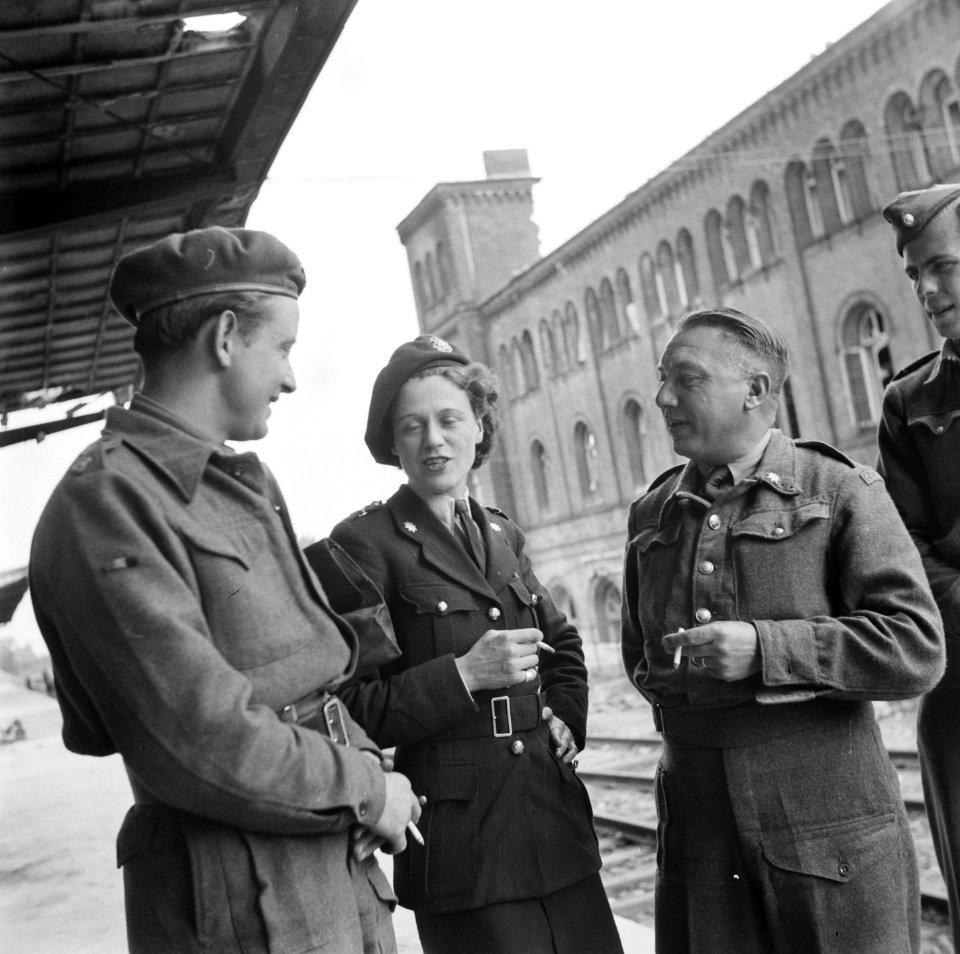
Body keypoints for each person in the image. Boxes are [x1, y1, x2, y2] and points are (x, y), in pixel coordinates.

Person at [29, 227, 421, 954]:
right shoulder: (107, 504)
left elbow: (311, 673)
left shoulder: (239, 481)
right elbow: (197, 740)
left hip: (328, 869)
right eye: (284, 349)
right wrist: (367, 791)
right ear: (226, 337)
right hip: (240, 902)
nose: (293, 378)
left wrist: (367, 766)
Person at [620, 306, 944, 954]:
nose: (662, 398)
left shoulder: (839, 489)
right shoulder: (652, 513)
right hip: (701, 841)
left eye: (686, 379)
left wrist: (767, 650)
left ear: (757, 391)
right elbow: (640, 661)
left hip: (832, 832)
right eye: (662, 379)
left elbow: (916, 646)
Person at [310, 335, 623, 954]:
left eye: (450, 419)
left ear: (480, 427)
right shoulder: (364, 545)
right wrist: (464, 675)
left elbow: (561, 642)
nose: (434, 440)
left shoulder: (502, 533)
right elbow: (349, 704)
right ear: (392, 444)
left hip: (554, 828)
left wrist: (566, 716)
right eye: (412, 427)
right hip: (462, 847)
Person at [879, 182, 960, 950]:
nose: (930, 291)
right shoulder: (910, 401)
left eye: (943, 267)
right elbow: (906, 550)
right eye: (915, 276)